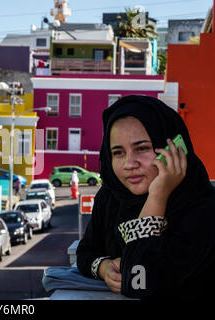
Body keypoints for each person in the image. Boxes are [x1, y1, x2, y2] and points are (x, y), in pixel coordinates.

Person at [76, 95, 215, 300]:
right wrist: (103, 268)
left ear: (175, 150)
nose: (129, 164)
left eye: (142, 148)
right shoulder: (111, 198)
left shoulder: (203, 210)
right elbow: (86, 251)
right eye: (118, 152)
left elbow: (139, 282)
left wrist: (158, 197)